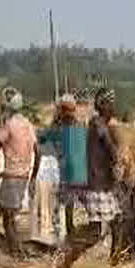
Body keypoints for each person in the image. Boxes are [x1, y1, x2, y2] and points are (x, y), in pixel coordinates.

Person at [53, 87, 121, 268]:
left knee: (117, 225)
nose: (113, 108)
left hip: (101, 186)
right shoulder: (97, 123)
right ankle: (65, 263)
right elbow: (109, 147)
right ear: (103, 105)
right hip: (95, 185)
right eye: (110, 104)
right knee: (95, 233)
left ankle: (114, 266)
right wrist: (119, 158)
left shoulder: (100, 124)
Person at [0, 89, 39, 258]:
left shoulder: (8, 124)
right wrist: (33, 176)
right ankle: (16, 247)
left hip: (11, 175)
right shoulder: (27, 124)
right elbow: (37, 150)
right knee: (12, 214)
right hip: (24, 175)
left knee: (8, 217)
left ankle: (15, 251)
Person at [36, 94, 89, 240]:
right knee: (74, 206)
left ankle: (70, 234)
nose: (65, 112)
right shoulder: (79, 125)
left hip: (71, 172)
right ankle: (72, 234)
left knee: (69, 206)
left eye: (64, 109)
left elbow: (42, 138)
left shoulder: (61, 127)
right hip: (77, 172)